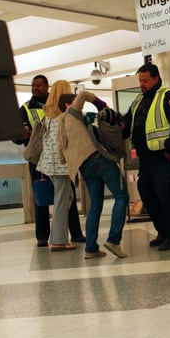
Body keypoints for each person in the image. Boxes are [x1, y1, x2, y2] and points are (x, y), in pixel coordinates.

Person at [122, 64, 170, 251]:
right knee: (148, 195)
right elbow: (127, 123)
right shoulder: (138, 101)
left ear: (156, 79)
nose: (142, 84)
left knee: (168, 197)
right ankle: (162, 231)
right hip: (146, 160)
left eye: (145, 81)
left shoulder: (169, 97)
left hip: (165, 159)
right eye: (140, 81)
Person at [15, 75, 85, 247]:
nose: (35, 88)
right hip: (53, 163)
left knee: (66, 198)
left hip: (46, 162)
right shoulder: (31, 109)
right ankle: (54, 239)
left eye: (38, 85)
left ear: (48, 88)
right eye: (33, 85)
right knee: (50, 200)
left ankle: (71, 234)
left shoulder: (50, 113)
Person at [59, 90, 129, 259]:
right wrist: (101, 105)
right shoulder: (72, 113)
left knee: (95, 205)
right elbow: (83, 93)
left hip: (84, 168)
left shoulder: (59, 125)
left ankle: (91, 248)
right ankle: (113, 240)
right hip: (99, 159)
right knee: (122, 196)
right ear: (70, 104)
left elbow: (61, 156)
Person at [38, 90, 77, 251]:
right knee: (62, 200)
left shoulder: (47, 116)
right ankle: (59, 240)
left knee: (67, 197)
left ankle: (57, 235)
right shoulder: (63, 117)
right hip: (61, 164)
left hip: (48, 163)